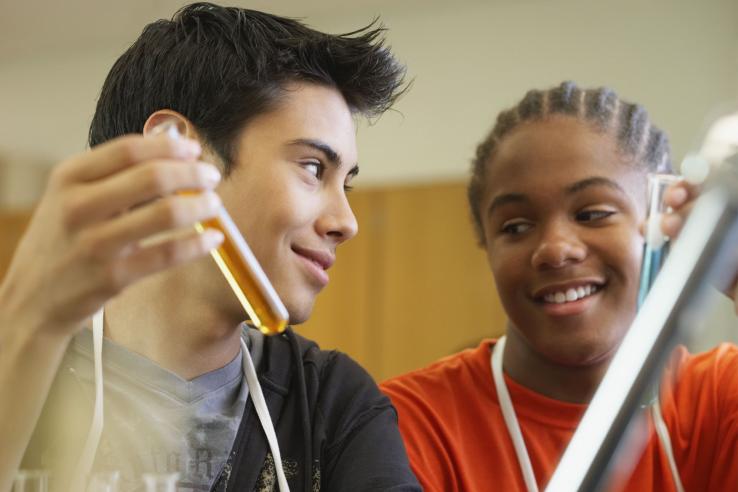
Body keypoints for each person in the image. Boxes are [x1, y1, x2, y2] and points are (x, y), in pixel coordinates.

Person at [0, 3, 420, 491]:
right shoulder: (21, 357)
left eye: (344, 184)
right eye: (312, 168)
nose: (345, 223)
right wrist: (23, 327)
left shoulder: (332, 402)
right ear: (175, 152)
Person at [380, 81, 738, 491]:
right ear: (486, 245)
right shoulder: (407, 423)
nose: (554, 250)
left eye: (592, 213)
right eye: (515, 226)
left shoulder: (723, 397)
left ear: (665, 222)